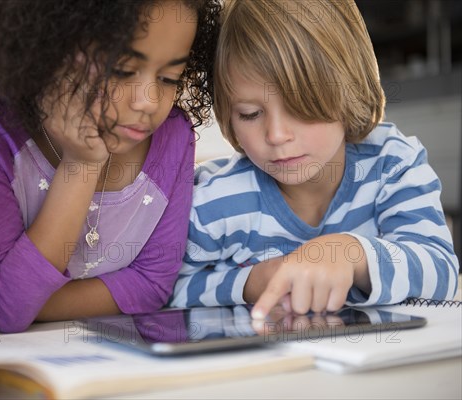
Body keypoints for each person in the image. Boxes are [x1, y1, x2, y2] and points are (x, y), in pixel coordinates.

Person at [0, 0, 220, 333]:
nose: (148, 101)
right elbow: (8, 308)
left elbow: (151, 285)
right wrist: (81, 165)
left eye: (169, 77)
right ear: (47, 50)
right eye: (123, 70)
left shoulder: (173, 136)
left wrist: (6, 306)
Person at [169, 0, 459, 318]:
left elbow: (440, 270)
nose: (277, 134)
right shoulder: (215, 200)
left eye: (300, 106)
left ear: (351, 89)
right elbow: (164, 291)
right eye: (250, 114)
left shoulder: (391, 164)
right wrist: (251, 282)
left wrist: (352, 253)